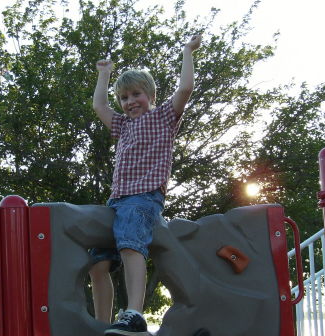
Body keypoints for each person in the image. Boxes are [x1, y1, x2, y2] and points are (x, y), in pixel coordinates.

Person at [90, 34, 202, 336]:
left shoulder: (164, 117)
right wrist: (104, 75)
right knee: (98, 260)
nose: (129, 102)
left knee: (129, 243)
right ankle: (103, 324)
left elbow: (186, 87)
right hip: (117, 200)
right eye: (124, 98)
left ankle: (135, 314)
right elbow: (99, 105)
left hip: (144, 198)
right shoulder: (123, 125)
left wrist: (187, 52)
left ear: (150, 96)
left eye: (136, 94)